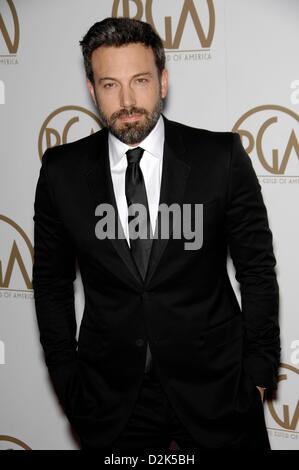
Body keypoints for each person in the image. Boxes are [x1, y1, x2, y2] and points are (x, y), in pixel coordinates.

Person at [32, 17, 280, 452]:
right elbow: (51, 284)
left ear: (163, 81)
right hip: (111, 404)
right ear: (92, 90)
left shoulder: (219, 159)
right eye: (110, 85)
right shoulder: (61, 172)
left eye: (140, 80)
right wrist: (66, 379)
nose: (127, 100)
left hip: (218, 394)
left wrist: (258, 375)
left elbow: (257, 270)